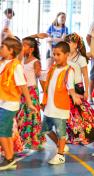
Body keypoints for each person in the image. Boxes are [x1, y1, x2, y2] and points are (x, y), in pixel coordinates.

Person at [41, 41, 82, 165]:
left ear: (66, 55)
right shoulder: (53, 68)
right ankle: (60, 145)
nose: (55, 57)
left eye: (58, 54)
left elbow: (70, 87)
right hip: (49, 106)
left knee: (61, 132)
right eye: (54, 54)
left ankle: (60, 155)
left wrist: (74, 96)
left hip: (60, 108)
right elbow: (47, 84)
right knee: (45, 129)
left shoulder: (69, 71)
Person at [0, 37, 36, 170]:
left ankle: (9, 158)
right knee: (6, 132)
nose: (0, 48)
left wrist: (29, 102)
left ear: (10, 51)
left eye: (2, 47)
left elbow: (23, 85)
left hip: (9, 105)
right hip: (2, 102)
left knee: (1, 132)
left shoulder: (16, 66)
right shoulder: (3, 62)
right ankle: (9, 157)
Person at [64, 33, 94, 145]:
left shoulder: (81, 58)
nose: (67, 44)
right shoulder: (64, 56)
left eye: (69, 42)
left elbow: (86, 75)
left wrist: (86, 91)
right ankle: (71, 135)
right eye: (66, 42)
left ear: (76, 45)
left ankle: (86, 133)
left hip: (77, 87)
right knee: (68, 113)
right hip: (66, 87)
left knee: (80, 113)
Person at [15, 37, 45, 150]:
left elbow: (38, 74)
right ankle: (23, 138)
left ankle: (34, 139)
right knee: (22, 114)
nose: (22, 48)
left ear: (31, 49)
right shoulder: (21, 59)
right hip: (22, 90)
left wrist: (39, 71)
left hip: (31, 90)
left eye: (24, 46)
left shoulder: (35, 61)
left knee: (32, 114)